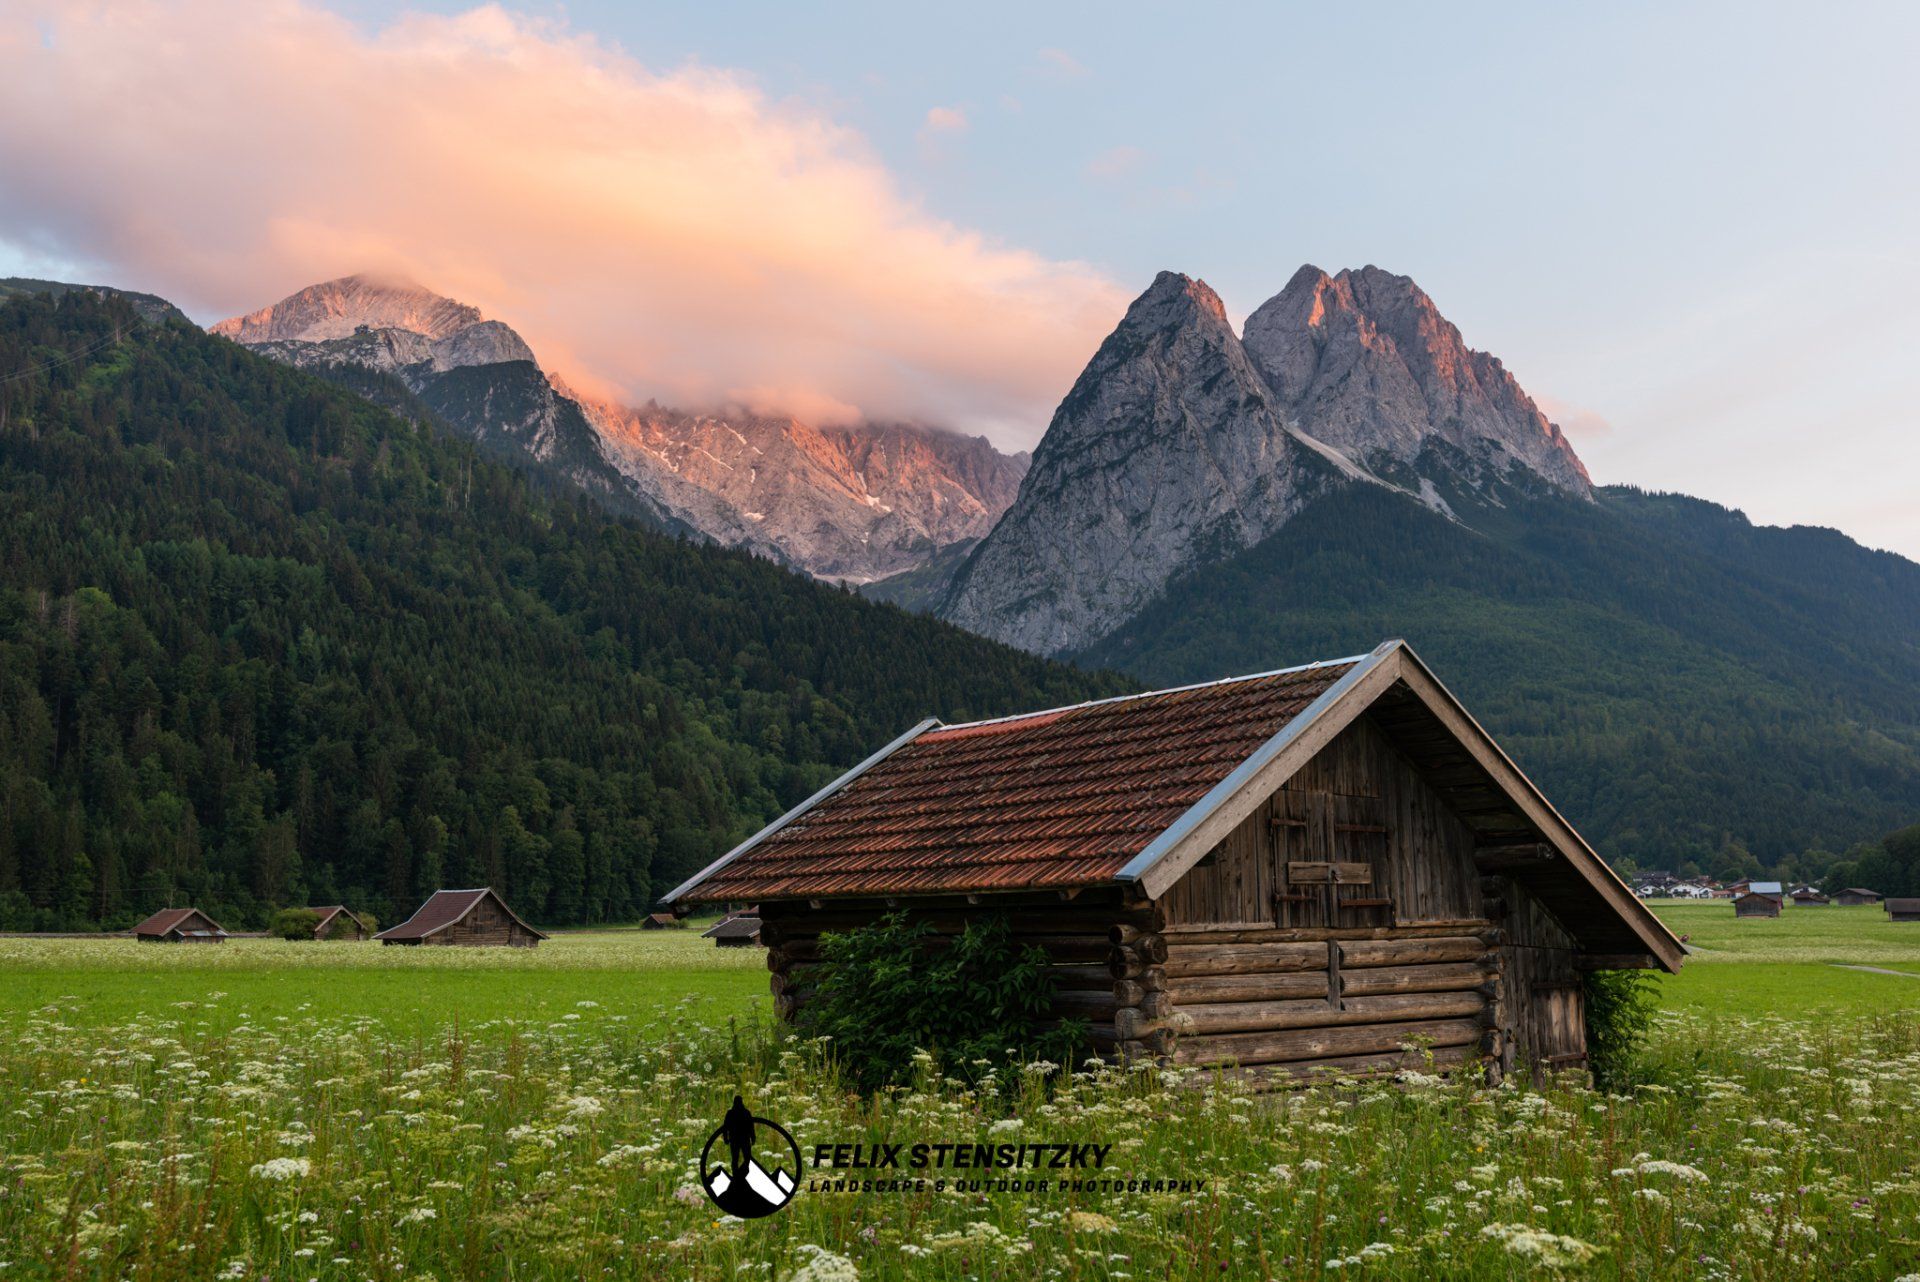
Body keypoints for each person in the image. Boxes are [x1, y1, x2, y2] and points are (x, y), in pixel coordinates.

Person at [721, 1094, 755, 1175]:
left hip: (735, 1139)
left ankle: (737, 1175)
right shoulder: (746, 1112)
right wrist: (753, 1137)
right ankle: (742, 1174)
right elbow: (751, 1127)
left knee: (737, 1159)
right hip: (744, 1139)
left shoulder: (730, 1113)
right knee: (745, 1158)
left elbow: (725, 1127)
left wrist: (726, 1138)